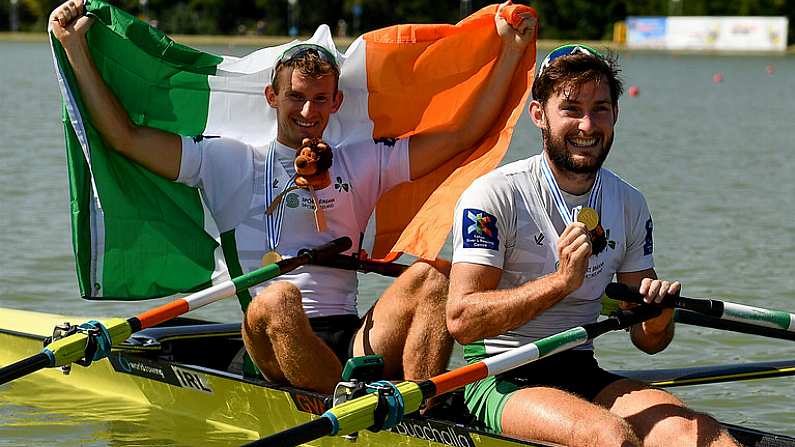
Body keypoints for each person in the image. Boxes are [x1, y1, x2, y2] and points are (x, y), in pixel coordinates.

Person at [50, 0, 536, 393]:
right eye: (296, 97)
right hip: (270, 338)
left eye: (321, 99)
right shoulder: (225, 160)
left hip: (353, 338)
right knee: (277, 296)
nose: (308, 110)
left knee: (433, 274)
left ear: (336, 102)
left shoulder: (362, 160)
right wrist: (76, 49)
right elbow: (126, 139)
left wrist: (512, 52)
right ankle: (349, 405)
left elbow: (462, 133)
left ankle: (416, 408)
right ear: (272, 98)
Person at [447, 44, 740, 446]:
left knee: (699, 434)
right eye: (571, 109)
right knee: (608, 436)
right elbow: (462, 320)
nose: (588, 125)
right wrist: (562, 282)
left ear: (616, 114)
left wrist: (655, 319)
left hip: (582, 368)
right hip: (498, 375)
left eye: (600, 108)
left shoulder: (629, 202)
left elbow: (649, 343)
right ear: (538, 115)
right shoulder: (494, 195)